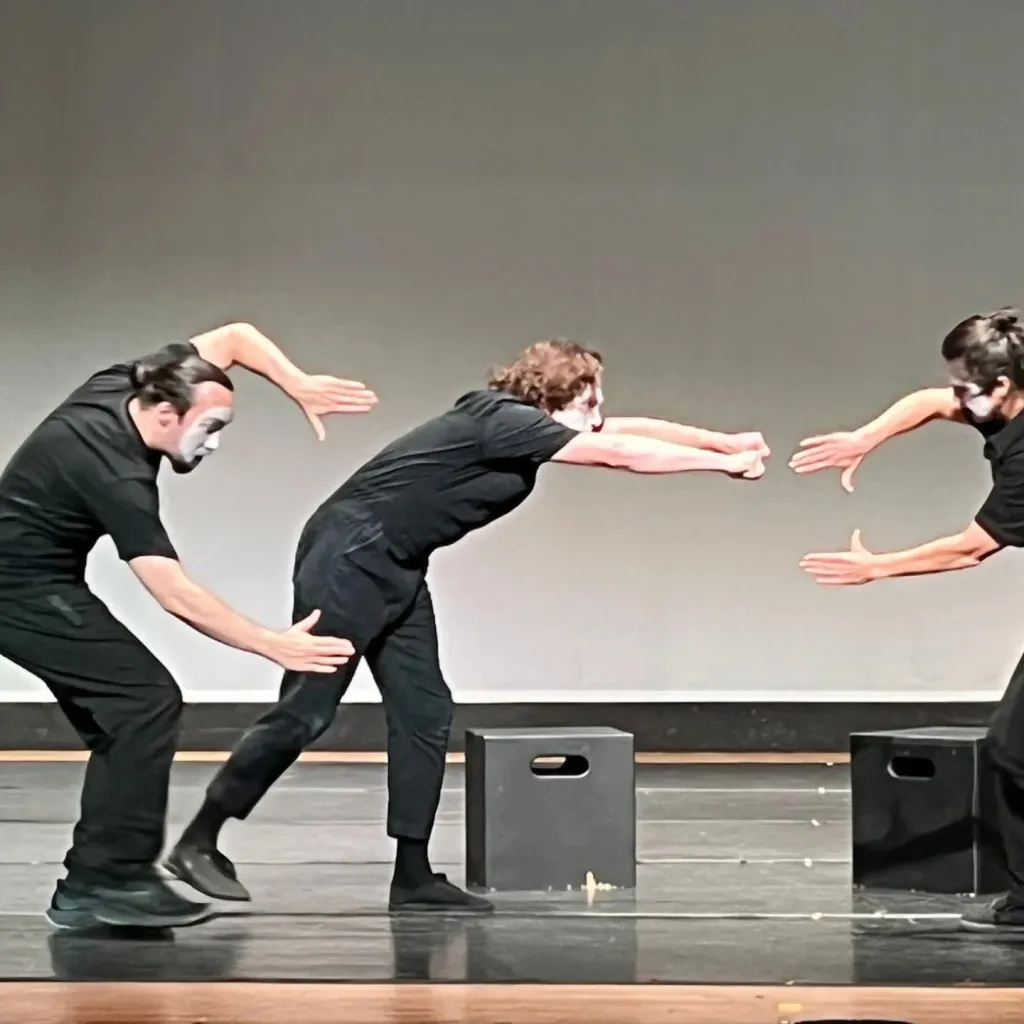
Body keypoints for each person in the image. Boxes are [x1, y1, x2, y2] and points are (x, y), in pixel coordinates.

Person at [166, 338, 770, 914]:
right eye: (590, 401)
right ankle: (199, 839)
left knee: (426, 711)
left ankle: (413, 875)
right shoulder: (504, 420)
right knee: (308, 709)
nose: (599, 413)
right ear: (553, 397)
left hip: (396, 563)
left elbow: (629, 432)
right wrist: (720, 468)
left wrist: (721, 443)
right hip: (351, 557)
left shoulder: (524, 424)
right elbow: (619, 453)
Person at [0, 322, 377, 932]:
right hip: (17, 591)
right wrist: (271, 644)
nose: (214, 444)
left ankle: (97, 880)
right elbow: (174, 593)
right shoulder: (112, 471)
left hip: (42, 582)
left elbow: (233, 336)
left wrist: (297, 383)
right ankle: (109, 880)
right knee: (143, 701)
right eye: (210, 429)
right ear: (167, 414)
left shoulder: (130, 383)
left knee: (125, 716)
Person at [790, 306, 1024, 934]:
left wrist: (877, 568)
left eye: (965, 388)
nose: (954, 398)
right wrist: (867, 437)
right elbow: (927, 402)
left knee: (1013, 751)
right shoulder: (1007, 400)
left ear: (1002, 387)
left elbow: (971, 548)